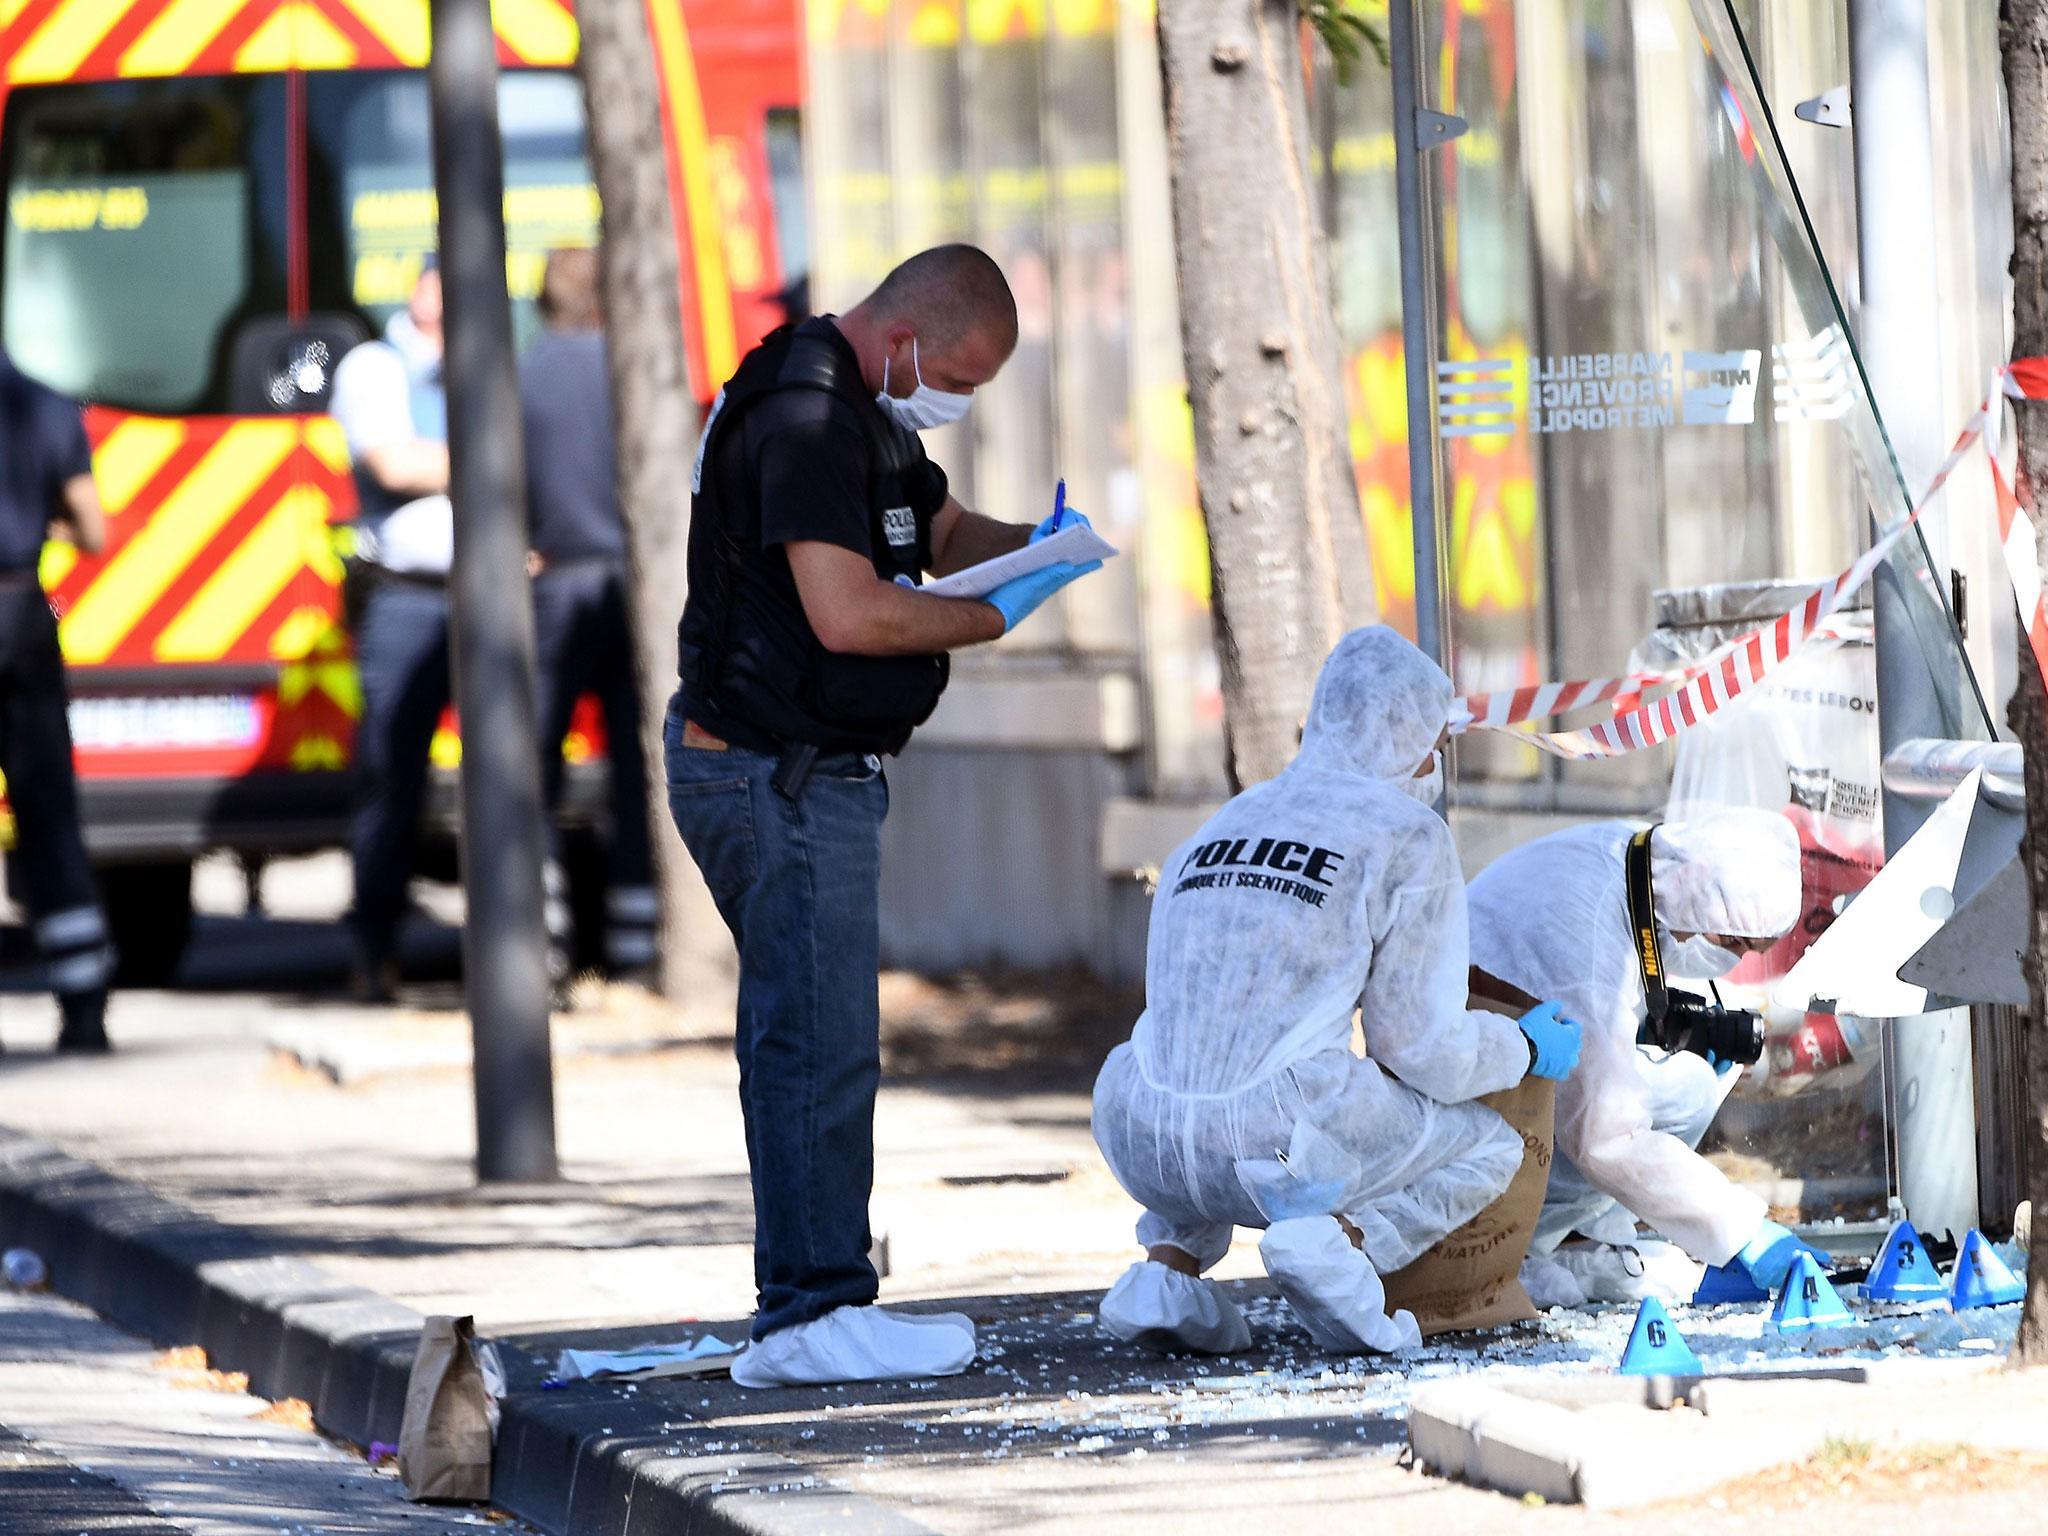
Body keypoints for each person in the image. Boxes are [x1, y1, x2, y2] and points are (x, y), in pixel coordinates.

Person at [668, 244, 1102, 1388]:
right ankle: (812, 1313)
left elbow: (942, 535)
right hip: (777, 773)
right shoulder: (809, 418)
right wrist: (990, 624)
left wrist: (1047, 550)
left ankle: (812, 1300)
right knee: (814, 1046)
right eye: (956, 377)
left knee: (812, 1036)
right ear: (902, 339)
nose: (958, 402)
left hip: (798, 768)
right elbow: (850, 616)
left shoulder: (868, 414)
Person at [1090, 627, 1583, 1356]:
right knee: (1488, 1148)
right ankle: (1337, 1247)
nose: (1437, 762)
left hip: (1140, 1131)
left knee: (1217, 1071)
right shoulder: (1405, 836)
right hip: (1275, 1148)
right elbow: (1421, 1048)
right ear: (1404, 731)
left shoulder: (1223, 823)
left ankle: (1171, 1271)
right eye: (1434, 742)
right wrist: (1523, 1044)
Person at [1467, 809, 1823, 1306]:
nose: (1736, 958)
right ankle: (1525, 1243)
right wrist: (1743, 1230)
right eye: (1734, 941)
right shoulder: (1588, 936)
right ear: (1696, 899)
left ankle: (1579, 1234)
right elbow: (1605, 1136)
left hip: (1504, 1063)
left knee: (1685, 1088)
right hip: (1476, 1107)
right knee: (1622, 1117)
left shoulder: (1640, 864)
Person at [519, 247, 657, 985]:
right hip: (630, 590)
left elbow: (503, 487)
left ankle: (546, 938)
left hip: (554, 585)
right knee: (638, 765)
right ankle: (636, 939)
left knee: (534, 764)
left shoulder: (522, 375)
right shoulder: (631, 372)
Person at [330, 263, 451, 1001]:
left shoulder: (490, 355)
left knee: (522, 773)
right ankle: (374, 950)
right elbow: (393, 462)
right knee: (388, 774)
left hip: (491, 593)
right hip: (405, 598)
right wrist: (494, 451)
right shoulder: (375, 366)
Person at [0, 347, 114, 1051]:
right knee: (48, 814)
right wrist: (43, 525)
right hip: (20, 616)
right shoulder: (44, 404)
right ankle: (83, 1005)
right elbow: (93, 531)